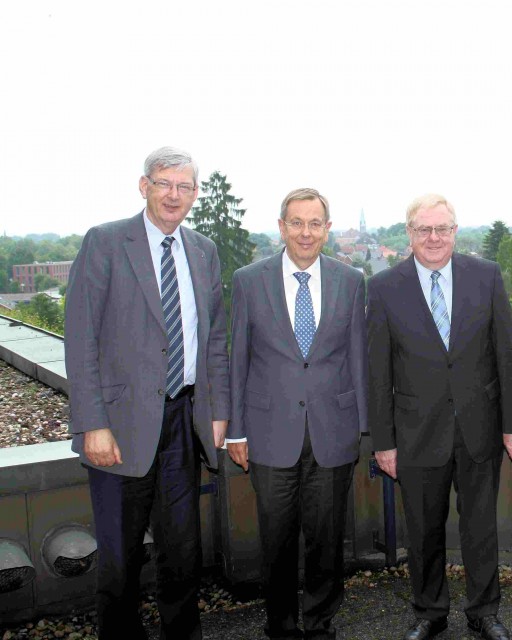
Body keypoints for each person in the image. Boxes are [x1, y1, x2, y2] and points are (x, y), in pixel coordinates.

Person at [64, 146, 230, 640]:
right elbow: (81, 338)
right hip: (119, 426)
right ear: (144, 186)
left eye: (185, 186)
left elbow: (215, 339)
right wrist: (92, 422)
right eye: (164, 183)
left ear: (195, 194)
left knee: (182, 551)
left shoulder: (203, 251)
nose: (174, 194)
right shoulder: (106, 242)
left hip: (184, 421)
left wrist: (218, 409)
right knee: (120, 556)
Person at [367, 194, 512, 640]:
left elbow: (505, 357)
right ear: (409, 233)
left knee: (481, 529)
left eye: (442, 229)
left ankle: (484, 612)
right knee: (422, 531)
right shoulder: (383, 287)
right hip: (415, 433)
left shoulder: (487, 276)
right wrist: (384, 442)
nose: (434, 238)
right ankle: (429, 612)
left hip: (480, 426)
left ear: (455, 231)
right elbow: (377, 372)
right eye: (423, 230)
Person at [227, 188, 367, 640]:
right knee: (278, 541)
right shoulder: (249, 280)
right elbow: (237, 360)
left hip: (333, 430)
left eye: (315, 223)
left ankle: (320, 623)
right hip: (269, 433)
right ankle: (281, 626)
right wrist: (236, 431)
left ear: (327, 229)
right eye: (297, 222)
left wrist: (367, 428)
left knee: (327, 540)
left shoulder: (351, 280)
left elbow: (358, 358)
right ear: (281, 227)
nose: (306, 232)